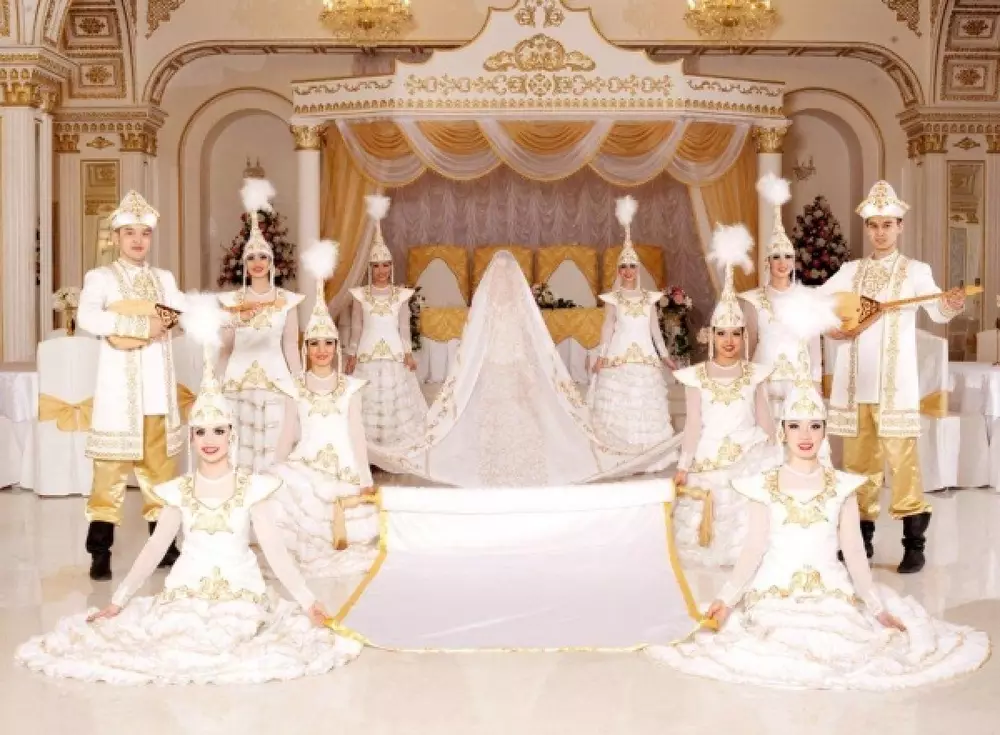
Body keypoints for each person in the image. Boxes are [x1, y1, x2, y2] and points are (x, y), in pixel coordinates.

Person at [15, 296, 361, 685]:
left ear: (231, 436)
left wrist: (309, 602)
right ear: (192, 438)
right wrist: (119, 600)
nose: (210, 440)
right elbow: (154, 548)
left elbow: (276, 553)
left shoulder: (252, 488)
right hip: (185, 595)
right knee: (174, 642)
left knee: (227, 642)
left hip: (240, 597)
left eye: (218, 431)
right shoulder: (180, 491)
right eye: (201, 432)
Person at [647, 303, 990, 690]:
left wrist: (875, 607)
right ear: (784, 431)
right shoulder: (763, 486)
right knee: (772, 640)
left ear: (825, 431)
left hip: (830, 594)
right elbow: (753, 548)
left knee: (845, 642)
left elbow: (854, 551)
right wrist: (726, 599)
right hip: (774, 595)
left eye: (814, 426)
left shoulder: (841, 487)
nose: (805, 435)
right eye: (795, 426)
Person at [819, 181, 966, 573]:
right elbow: (820, 306)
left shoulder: (915, 271)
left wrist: (950, 303)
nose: (880, 232)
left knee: (903, 464)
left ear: (900, 226)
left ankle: (913, 545)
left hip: (895, 387)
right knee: (857, 465)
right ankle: (860, 542)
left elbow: (937, 310)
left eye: (887, 224)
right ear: (867, 229)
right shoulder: (850, 271)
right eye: (874, 225)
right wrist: (830, 326)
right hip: (856, 386)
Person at [77, 191, 183, 581]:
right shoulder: (102, 278)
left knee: (160, 472)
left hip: (156, 390)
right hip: (119, 393)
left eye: (145, 233)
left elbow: (181, 311)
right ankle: (99, 551)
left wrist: (169, 320)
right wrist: (142, 325)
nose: (138, 240)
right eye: (130, 233)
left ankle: (166, 547)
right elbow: (88, 317)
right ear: (117, 237)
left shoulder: (164, 279)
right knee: (109, 473)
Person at [672, 224, 781, 567]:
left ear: (743, 337)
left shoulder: (754, 373)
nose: (730, 341)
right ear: (712, 336)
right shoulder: (696, 377)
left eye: (736, 334)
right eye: (723, 334)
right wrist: (683, 466)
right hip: (709, 455)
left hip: (747, 451)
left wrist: (777, 453)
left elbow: (764, 418)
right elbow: (693, 425)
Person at [268, 240, 378, 577]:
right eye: (314, 343)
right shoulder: (295, 385)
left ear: (336, 346)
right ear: (306, 348)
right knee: (290, 494)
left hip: (342, 466)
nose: (321, 350)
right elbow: (288, 432)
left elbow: (356, 434)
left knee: (341, 530)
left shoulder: (350, 386)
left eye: (328, 343)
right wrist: (274, 469)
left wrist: (365, 477)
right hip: (307, 463)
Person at [217, 178, 303, 473]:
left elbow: (290, 345)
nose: (257, 262)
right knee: (240, 445)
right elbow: (225, 347)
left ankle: (272, 496)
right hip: (237, 381)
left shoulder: (287, 300)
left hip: (274, 380)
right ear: (244, 262)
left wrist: (299, 381)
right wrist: (215, 382)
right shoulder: (231, 301)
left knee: (273, 445)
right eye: (251, 257)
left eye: (262, 257)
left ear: (271, 262)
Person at [590, 196, 675, 451]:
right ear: (619, 270)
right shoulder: (613, 298)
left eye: (632, 266)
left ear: (638, 269)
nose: (628, 271)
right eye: (624, 267)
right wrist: (601, 355)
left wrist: (665, 356)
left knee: (643, 403)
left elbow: (654, 330)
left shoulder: (649, 297)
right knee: (619, 401)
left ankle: (645, 451)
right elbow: (607, 327)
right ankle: (619, 448)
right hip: (618, 356)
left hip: (645, 356)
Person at [344, 194, 428, 448]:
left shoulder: (400, 295)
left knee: (393, 399)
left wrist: (408, 354)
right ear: (370, 268)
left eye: (385, 265)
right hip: (367, 353)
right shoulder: (360, 295)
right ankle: (368, 448)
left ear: (391, 266)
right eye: (376, 266)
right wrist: (351, 354)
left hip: (393, 354)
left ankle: (391, 445)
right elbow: (357, 327)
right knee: (368, 398)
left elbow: (403, 327)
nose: (381, 271)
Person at [738, 174, 822, 417]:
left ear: (794, 262)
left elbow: (814, 345)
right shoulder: (753, 300)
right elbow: (750, 342)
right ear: (768, 262)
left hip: (799, 379)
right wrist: (744, 378)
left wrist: (816, 383)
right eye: (776, 257)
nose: (782, 263)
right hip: (763, 376)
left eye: (787, 257)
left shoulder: (808, 298)